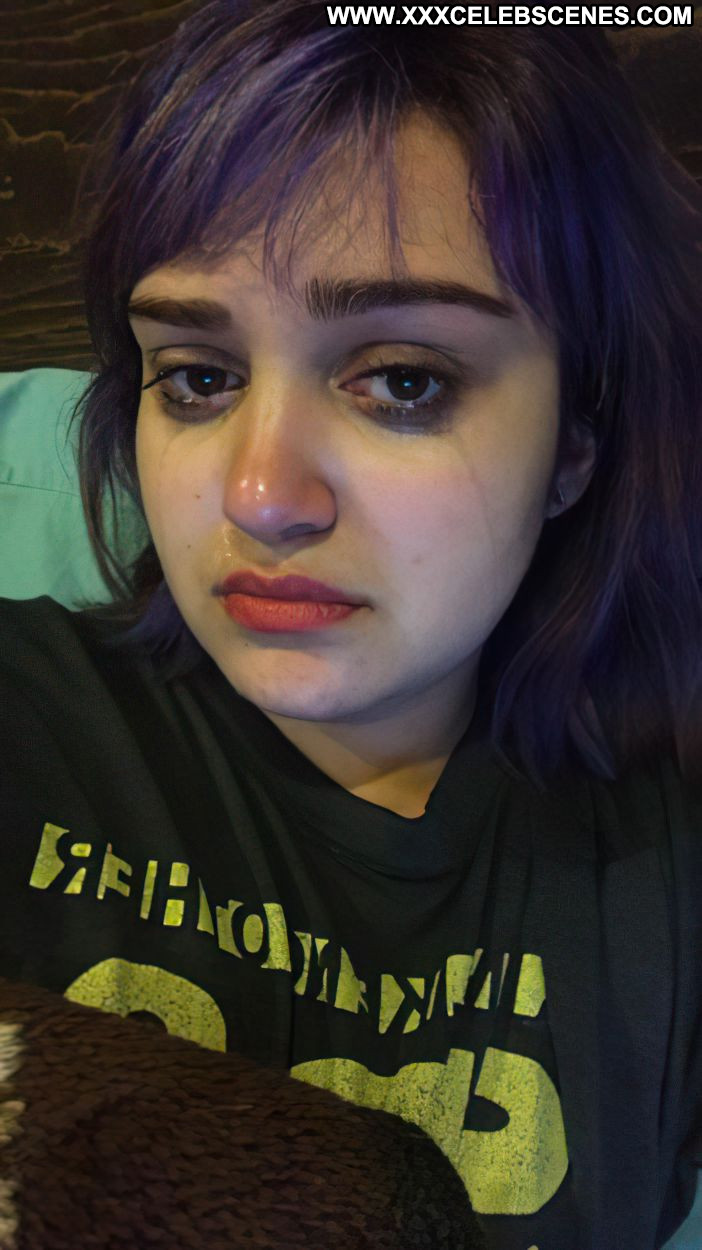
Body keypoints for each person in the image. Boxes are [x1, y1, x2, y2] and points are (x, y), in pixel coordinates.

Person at [0, 3, 701, 1247]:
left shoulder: (664, 878)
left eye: (404, 380)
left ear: (575, 446)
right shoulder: (27, 718)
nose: (262, 496)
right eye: (198, 377)